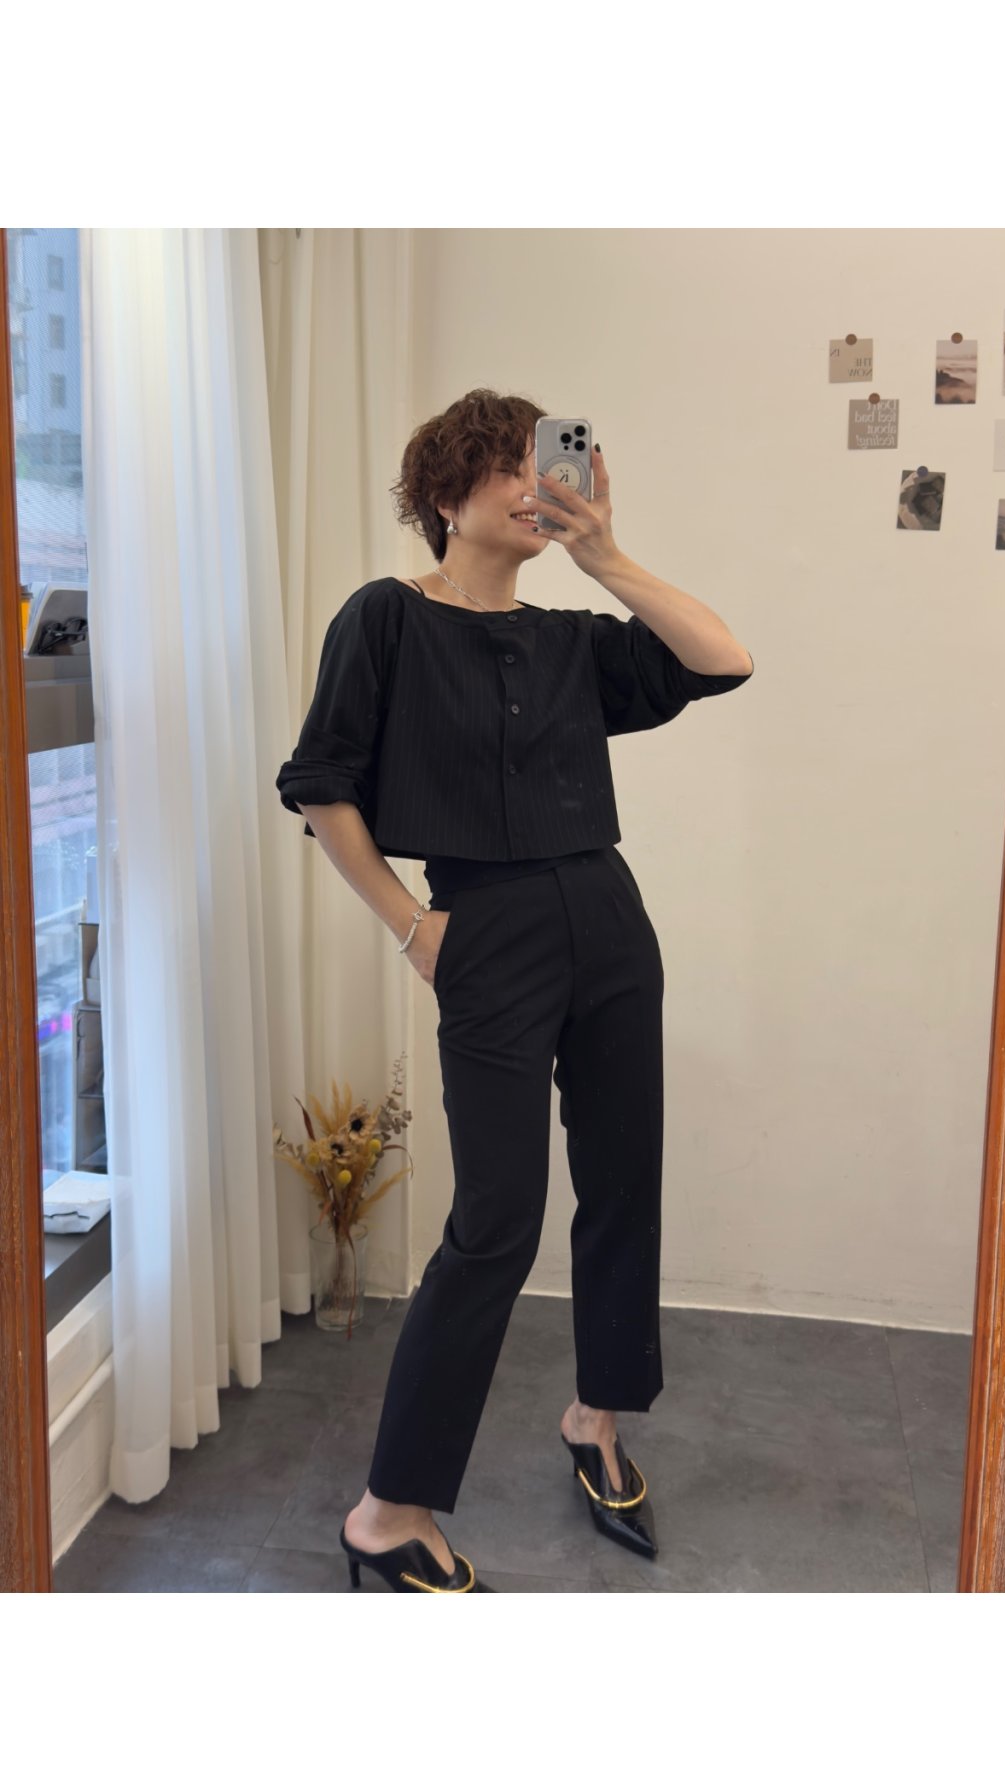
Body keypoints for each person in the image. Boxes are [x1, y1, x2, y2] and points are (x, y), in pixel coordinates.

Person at [275, 388, 754, 1592]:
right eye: (507, 464)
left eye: (545, 462)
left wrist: (608, 555)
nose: (534, 483)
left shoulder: (570, 640)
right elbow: (321, 783)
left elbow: (724, 658)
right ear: (445, 496)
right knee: (496, 1218)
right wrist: (413, 926)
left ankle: (597, 1415)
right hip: (481, 926)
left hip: (608, 915)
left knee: (624, 1178)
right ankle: (388, 1509)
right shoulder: (385, 618)